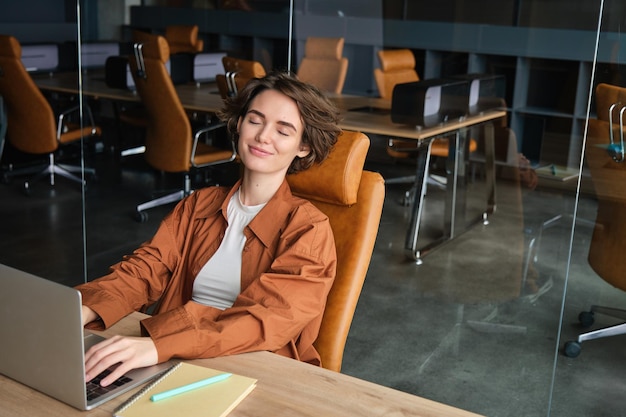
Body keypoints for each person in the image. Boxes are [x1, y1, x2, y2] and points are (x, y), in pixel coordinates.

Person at [76, 72, 342, 387]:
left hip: (256, 368)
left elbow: (264, 320)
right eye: (255, 121)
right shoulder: (198, 204)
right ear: (239, 124)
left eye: (283, 130)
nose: (263, 136)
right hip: (173, 356)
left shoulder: (308, 229)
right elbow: (145, 270)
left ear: (304, 147)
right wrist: (83, 308)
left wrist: (161, 345)